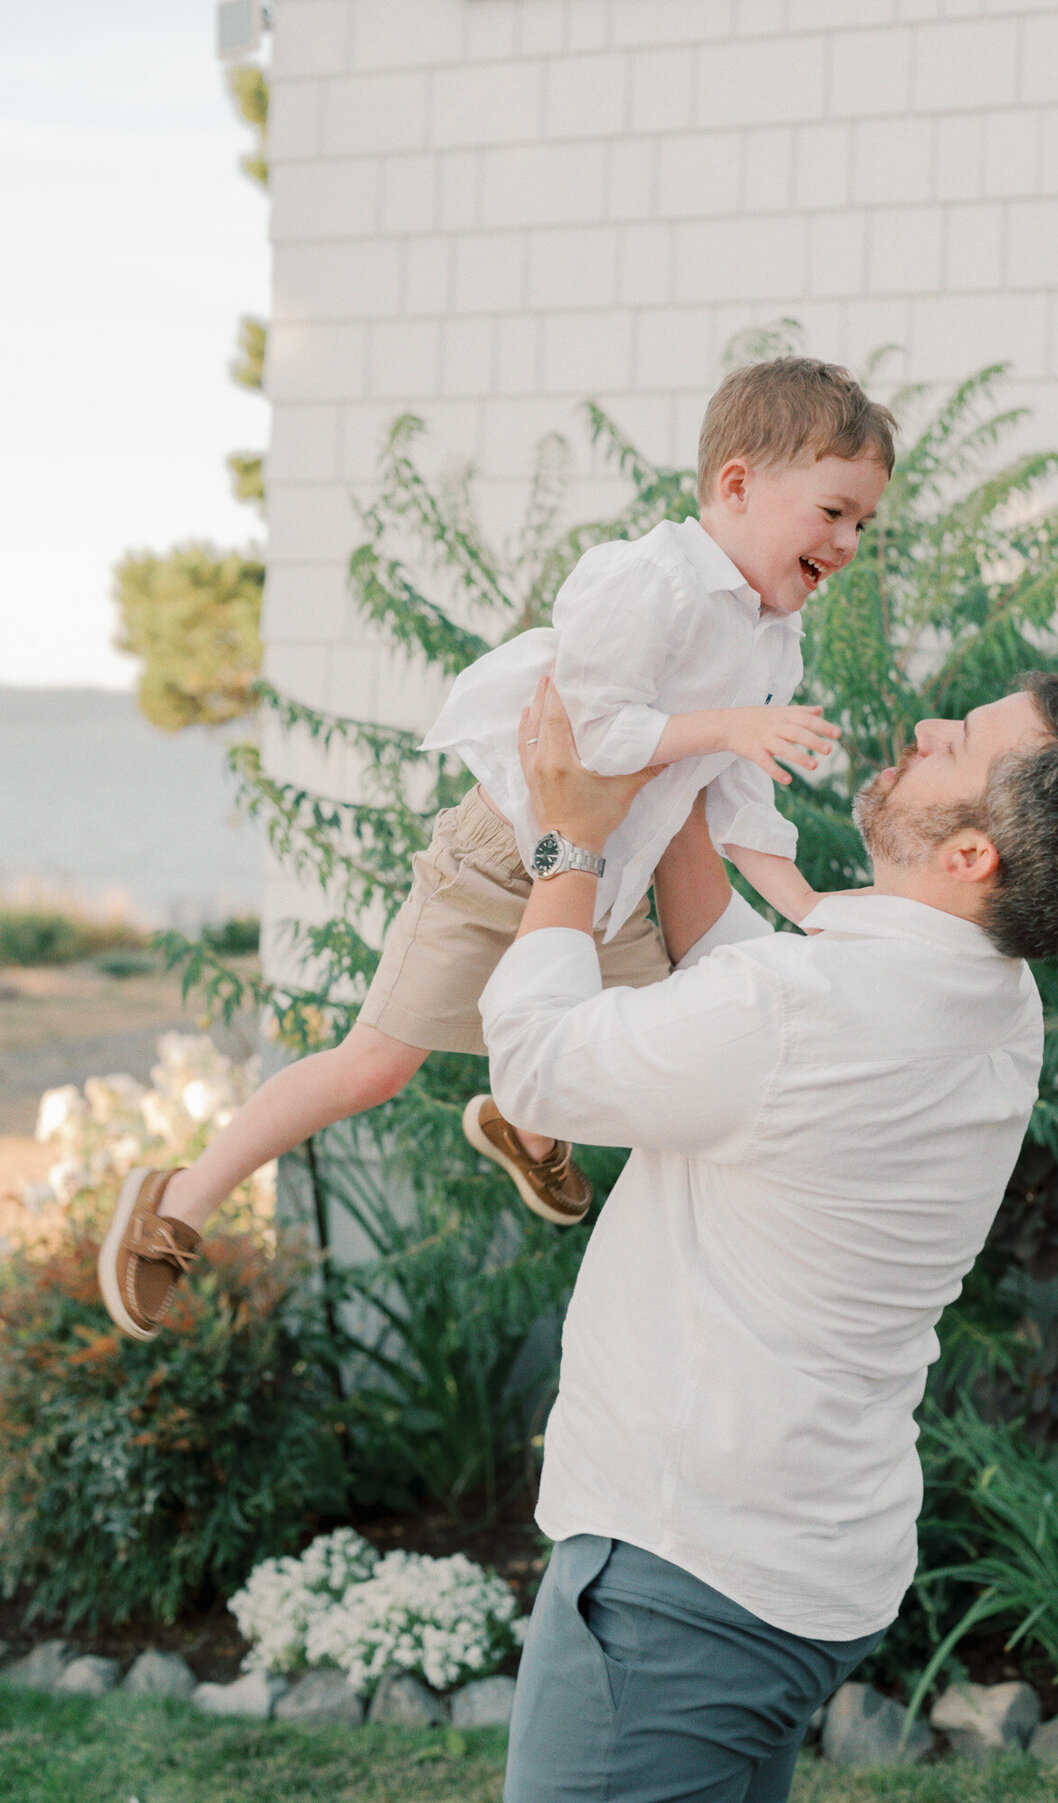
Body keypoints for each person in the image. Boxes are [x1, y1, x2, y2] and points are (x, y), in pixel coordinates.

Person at [98, 356, 894, 1343]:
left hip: (610, 883)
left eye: (865, 524)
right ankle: (178, 1202)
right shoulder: (645, 580)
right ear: (738, 485)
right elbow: (591, 743)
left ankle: (530, 1120)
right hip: (504, 852)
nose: (851, 542)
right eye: (834, 513)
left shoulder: (775, 646)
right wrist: (727, 727)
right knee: (373, 1065)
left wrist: (817, 916)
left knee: (661, 1052)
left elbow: (735, 812)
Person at [483, 672, 1058, 1803]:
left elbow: (542, 1072)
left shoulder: (809, 1010)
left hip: (679, 1577)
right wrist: (685, 788)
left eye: (959, 747)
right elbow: (739, 1008)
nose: (928, 729)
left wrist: (571, 841)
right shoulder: (991, 999)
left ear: (970, 856)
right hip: (798, 1563)